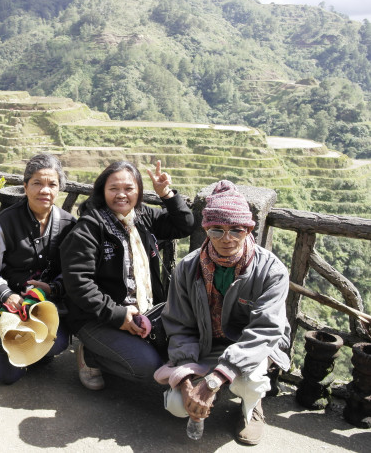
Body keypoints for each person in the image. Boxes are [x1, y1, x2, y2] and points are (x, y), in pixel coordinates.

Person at [156, 180, 290, 445]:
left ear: (248, 229)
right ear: (206, 229)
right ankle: (208, 391)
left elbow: (265, 331)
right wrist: (186, 379)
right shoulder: (188, 268)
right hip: (209, 342)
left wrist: (215, 380)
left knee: (248, 381)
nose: (226, 239)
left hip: (254, 347)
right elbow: (179, 324)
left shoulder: (271, 271)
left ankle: (251, 409)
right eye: (217, 230)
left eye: (236, 230)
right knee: (177, 405)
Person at [60, 160, 194, 390]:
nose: (121, 195)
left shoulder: (142, 217)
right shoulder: (89, 228)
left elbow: (184, 225)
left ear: (139, 191)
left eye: (129, 189)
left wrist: (167, 194)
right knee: (149, 368)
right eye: (113, 189)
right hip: (97, 318)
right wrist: (118, 315)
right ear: (103, 191)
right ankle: (91, 355)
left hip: (145, 312)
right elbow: (79, 284)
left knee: (173, 354)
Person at [0, 154, 76, 384]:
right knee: (6, 376)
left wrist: (54, 287)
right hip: (10, 305)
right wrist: (6, 294)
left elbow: (74, 269)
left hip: (45, 305)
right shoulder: (4, 222)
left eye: (52, 184)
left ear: (59, 189)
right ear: (25, 186)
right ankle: (8, 340)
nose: (45, 190)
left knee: (56, 344)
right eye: (37, 183)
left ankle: (37, 351)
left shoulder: (69, 224)